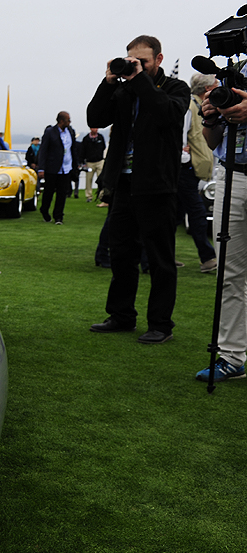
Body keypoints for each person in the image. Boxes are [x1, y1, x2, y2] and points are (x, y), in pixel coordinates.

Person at [86, 35, 188, 345]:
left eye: (143, 61)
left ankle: (160, 324)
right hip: (125, 184)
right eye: (133, 61)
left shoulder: (175, 88)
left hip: (158, 185)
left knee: (159, 258)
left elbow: (166, 113)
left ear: (158, 59)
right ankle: (121, 315)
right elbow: (95, 118)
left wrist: (139, 79)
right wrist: (108, 82)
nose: (137, 66)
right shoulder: (124, 89)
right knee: (121, 254)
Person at [194, 69, 247, 379]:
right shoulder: (236, 69)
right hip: (233, 174)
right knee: (230, 272)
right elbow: (213, 142)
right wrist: (211, 117)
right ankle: (231, 357)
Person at [181, 73, 218, 273]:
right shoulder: (190, 107)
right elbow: (180, 136)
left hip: (190, 168)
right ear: (206, 90)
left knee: (174, 213)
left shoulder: (195, 106)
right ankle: (208, 257)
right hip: (186, 169)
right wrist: (184, 157)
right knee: (196, 212)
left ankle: (157, 258)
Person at [37, 111, 77, 224]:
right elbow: (43, 151)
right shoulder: (50, 132)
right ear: (61, 121)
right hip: (52, 168)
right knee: (49, 192)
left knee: (62, 193)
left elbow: (73, 149)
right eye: (68, 120)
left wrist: (75, 164)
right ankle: (44, 210)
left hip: (66, 168)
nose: (69, 122)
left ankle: (58, 217)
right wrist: (41, 168)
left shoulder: (70, 132)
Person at [81, 128, 106, 203]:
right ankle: (89, 196)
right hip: (90, 162)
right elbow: (83, 150)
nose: (96, 130)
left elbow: (103, 147)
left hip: (99, 161)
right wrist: (83, 162)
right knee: (88, 180)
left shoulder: (100, 137)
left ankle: (101, 195)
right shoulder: (86, 139)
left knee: (101, 179)